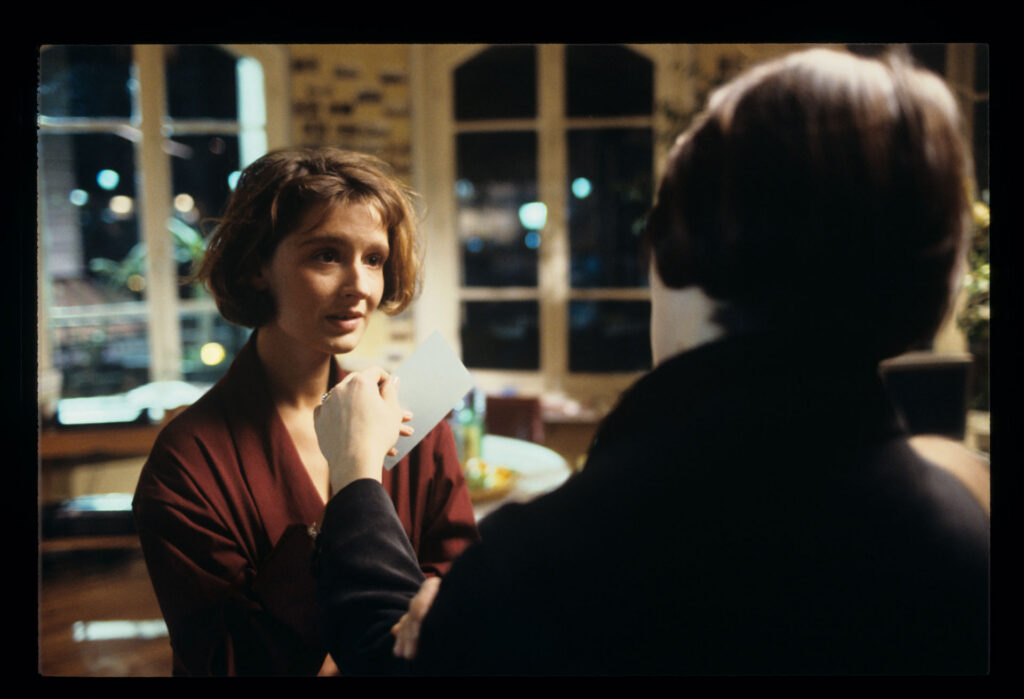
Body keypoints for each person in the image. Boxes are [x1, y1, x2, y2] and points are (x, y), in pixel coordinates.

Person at [312, 48, 990, 675]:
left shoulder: (554, 561)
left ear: (679, 251)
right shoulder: (961, 539)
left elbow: (385, 656)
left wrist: (355, 481)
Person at [132, 147, 480, 676]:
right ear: (256, 268)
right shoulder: (187, 463)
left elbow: (457, 603)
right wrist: (349, 483)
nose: (360, 286)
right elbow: (228, 662)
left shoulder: (415, 417)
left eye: (374, 259)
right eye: (326, 256)